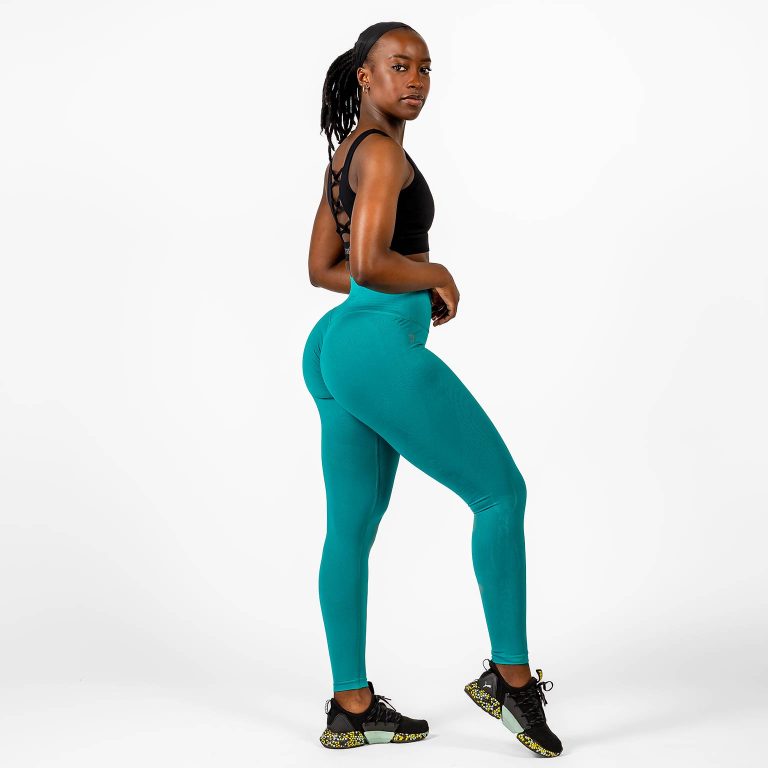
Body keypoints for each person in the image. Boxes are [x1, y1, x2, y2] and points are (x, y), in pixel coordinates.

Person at [302, 21, 564, 757]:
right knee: (500, 494)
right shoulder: (382, 154)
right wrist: (435, 275)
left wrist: (400, 285)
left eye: (424, 68)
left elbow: (324, 268)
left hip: (335, 347)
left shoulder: (346, 155)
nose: (415, 80)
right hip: (377, 348)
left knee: (350, 529)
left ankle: (351, 706)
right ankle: (510, 679)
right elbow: (371, 264)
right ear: (364, 75)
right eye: (399, 66)